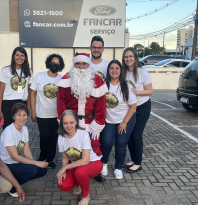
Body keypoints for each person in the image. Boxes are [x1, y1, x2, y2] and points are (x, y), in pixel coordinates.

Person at [57, 52, 107, 183]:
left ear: (88, 64)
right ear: (74, 65)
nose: (80, 66)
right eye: (77, 64)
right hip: (72, 122)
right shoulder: (65, 79)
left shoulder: (97, 80)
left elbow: (101, 105)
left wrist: (98, 123)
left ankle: (95, 171)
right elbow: (61, 103)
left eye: (84, 64)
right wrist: (63, 121)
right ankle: (72, 170)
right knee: (74, 146)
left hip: (91, 122)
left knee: (94, 146)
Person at [0, 103, 48, 197]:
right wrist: (36, 163)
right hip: (5, 165)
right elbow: (15, 157)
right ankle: (12, 188)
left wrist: (34, 163)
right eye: (19, 115)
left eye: (24, 115)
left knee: (42, 170)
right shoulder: (8, 132)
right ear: (13, 116)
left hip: (16, 163)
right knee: (33, 170)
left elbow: (26, 150)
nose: (22, 118)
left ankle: (14, 179)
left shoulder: (24, 129)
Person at [100, 60, 137, 179]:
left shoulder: (127, 87)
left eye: (117, 68)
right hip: (109, 120)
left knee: (121, 143)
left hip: (125, 119)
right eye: (112, 68)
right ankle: (104, 163)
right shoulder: (103, 85)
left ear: (121, 71)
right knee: (106, 142)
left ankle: (118, 167)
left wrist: (124, 122)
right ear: (108, 70)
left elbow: (133, 106)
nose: (114, 70)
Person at [57, 110, 102, 205]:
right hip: (76, 165)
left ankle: (86, 196)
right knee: (63, 185)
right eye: (65, 123)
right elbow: (65, 157)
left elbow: (85, 160)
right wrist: (64, 170)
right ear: (62, 124)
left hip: (93, 163)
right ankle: (80, 184)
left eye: (71, 122)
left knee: (80, 172)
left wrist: (65, 167)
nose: (69, 126)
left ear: (76, 122)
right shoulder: (61, 138)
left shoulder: (83, 134)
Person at [30, 54, 65, 169]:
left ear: (60, 66)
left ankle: (50, 159)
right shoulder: (40, 76)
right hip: (42, 114)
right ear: (48, 63)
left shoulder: (61, 79)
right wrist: (33, 111)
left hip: (56, 115)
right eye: (53, 62)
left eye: (58, 64)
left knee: (53, 137)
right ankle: (42, 156)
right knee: (44, 136)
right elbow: (33, 93)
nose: (55, 65)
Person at [121, 47, 153, 173]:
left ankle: (138, 163)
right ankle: (133, 160)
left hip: (142, 106)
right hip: (129, 108)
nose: (128, 59)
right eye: (126, 57)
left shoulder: (142, 72)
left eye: (130, 56)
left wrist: (136, 92)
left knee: (136, 134)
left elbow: (150, 91)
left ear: (135, 58)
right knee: (129, 135)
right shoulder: (123, 72)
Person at [0, 47, 33, 129]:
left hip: (22, 104)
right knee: (7, 130)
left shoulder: (29, 72)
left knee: (19, 129)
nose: (19, 58)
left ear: (25, 58)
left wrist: (28, 108)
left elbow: (29, 92)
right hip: (7, 104)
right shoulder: (5, 70)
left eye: (22, 55)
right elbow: (1, 92)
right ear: (13, 56)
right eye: (17, 55)